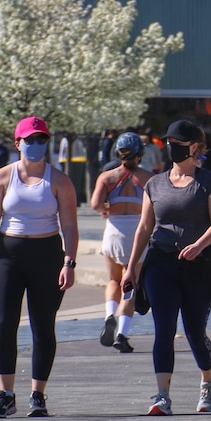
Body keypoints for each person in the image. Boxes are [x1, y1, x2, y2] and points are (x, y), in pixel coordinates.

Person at [0, 116, 78, 418]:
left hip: (46, 255)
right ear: (18, 143)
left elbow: (69, 225)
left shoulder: (59, 181)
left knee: (43, 326)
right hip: (7, 254)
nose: (35, 145)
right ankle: (5, 394)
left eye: (41, 140)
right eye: (30, 140)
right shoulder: (3, 178)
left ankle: (38, 394)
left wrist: (69, 261)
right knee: (5, 324)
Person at [121, 119, 211, 416]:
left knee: (195, 332)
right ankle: (162, 396)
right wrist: (131, 267)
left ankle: (207, 380)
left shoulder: (207, 181)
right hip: (161, 262)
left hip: (198, 264)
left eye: (178, 143)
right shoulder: (155, 183)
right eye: (169, 142)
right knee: (164, 329)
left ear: (194, 147)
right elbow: (145, 227)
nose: (172, 147)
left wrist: (199, 245)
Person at [90, 132, 155, 353]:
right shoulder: (148, 178)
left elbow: (95, 203)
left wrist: (107, 210)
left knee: (113, 280)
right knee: (131, 284)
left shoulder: (107, 177)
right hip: (137, 230)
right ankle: (122, 333)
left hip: (114, 230)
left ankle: (109, 315)